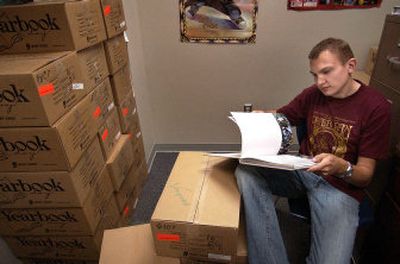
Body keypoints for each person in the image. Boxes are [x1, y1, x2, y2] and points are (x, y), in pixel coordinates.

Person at [235, 38, 391, 264]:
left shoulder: (376, 107)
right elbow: (283, 116)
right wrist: (265, 117)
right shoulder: (312, 94)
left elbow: (365, 175)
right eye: (314, 74)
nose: (320, 82)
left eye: (326, 72)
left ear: (350, 66)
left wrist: (341, 166)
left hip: (339, 187)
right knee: (246, 170)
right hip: (303, 169)